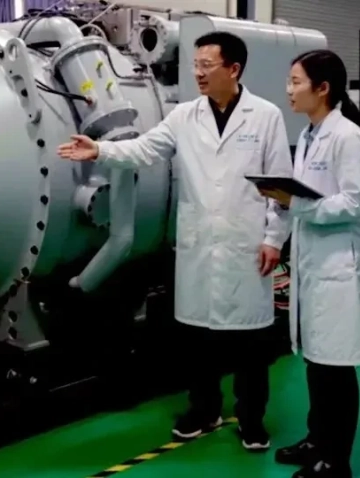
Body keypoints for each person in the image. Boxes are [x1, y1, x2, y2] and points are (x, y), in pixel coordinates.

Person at [57, 31, 293, 450]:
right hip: (200, 245)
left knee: (250, 345)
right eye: (195, 65)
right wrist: (100, 151)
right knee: (198, 341)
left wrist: (275, 238)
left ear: (233, 69)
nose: (198, 73)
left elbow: (281, 186)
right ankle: (204, 410)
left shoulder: (265, 116)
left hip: (246, 245)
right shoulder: (185, 115)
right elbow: (144, 149)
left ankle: (251, 420)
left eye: (207, 66)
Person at [256, 49, 360, 478]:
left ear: (322, 88)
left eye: (296, 82)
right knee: (315, 358)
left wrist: (298, 204)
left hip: (339, 267)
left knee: (335, 365)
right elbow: (305, 197)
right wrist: (282, 211)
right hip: (314, 263)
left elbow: (357, 201)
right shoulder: (310, 135)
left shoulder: (348, 137)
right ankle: (316, 439)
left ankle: (336, 460)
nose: (288, 90)